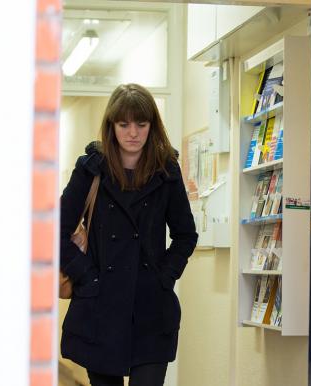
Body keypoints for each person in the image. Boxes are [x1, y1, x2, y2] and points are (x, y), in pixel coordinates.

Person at [59, 83, 198, 386]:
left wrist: (165, 277)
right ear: (112, 126)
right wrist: (86, 276)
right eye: (124, 124)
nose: (132, 132)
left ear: (152, 126)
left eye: (141, 124)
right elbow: (56, 229)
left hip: (151, 309)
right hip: (100, 308)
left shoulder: (166, 171)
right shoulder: (90, 170)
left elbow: (185, 234)